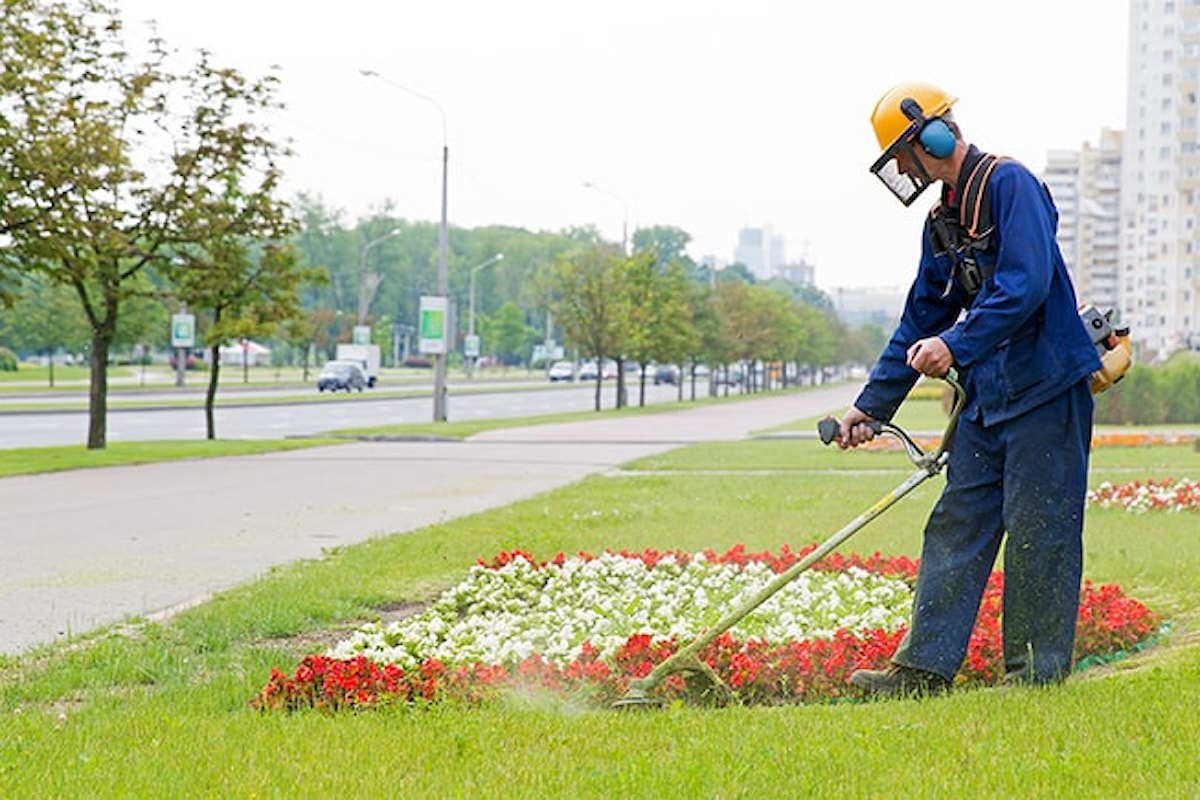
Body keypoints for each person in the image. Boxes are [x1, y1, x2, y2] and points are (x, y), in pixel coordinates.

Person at [838, 81, 1103, 697]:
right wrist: (869, 407)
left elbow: (1025, 284)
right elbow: (921, 317)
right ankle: (922, 671)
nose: (902, 169)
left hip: (1044, 391)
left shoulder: (1011, 186)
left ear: (931, 135)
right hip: (987, 401)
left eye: (903, 154)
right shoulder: (943, 218)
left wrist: (955, 346)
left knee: (1039, 532)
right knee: (955, 526)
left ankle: (1035, 677)